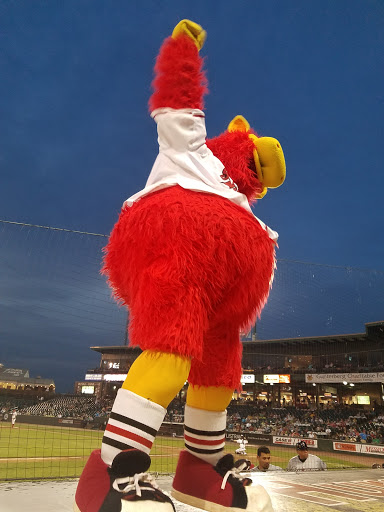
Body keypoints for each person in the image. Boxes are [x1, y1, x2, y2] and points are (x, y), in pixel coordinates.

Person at [75, 18, 285, 512]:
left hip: (221, 300)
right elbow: (178, 109)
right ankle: (111, 468)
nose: (258, 174)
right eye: (254, 162)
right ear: (237, 148)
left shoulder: (243, 204)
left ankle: (199, 468)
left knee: (219, 366)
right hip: (176, 268)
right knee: (172, 352)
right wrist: (183, 53)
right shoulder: (195, 159)